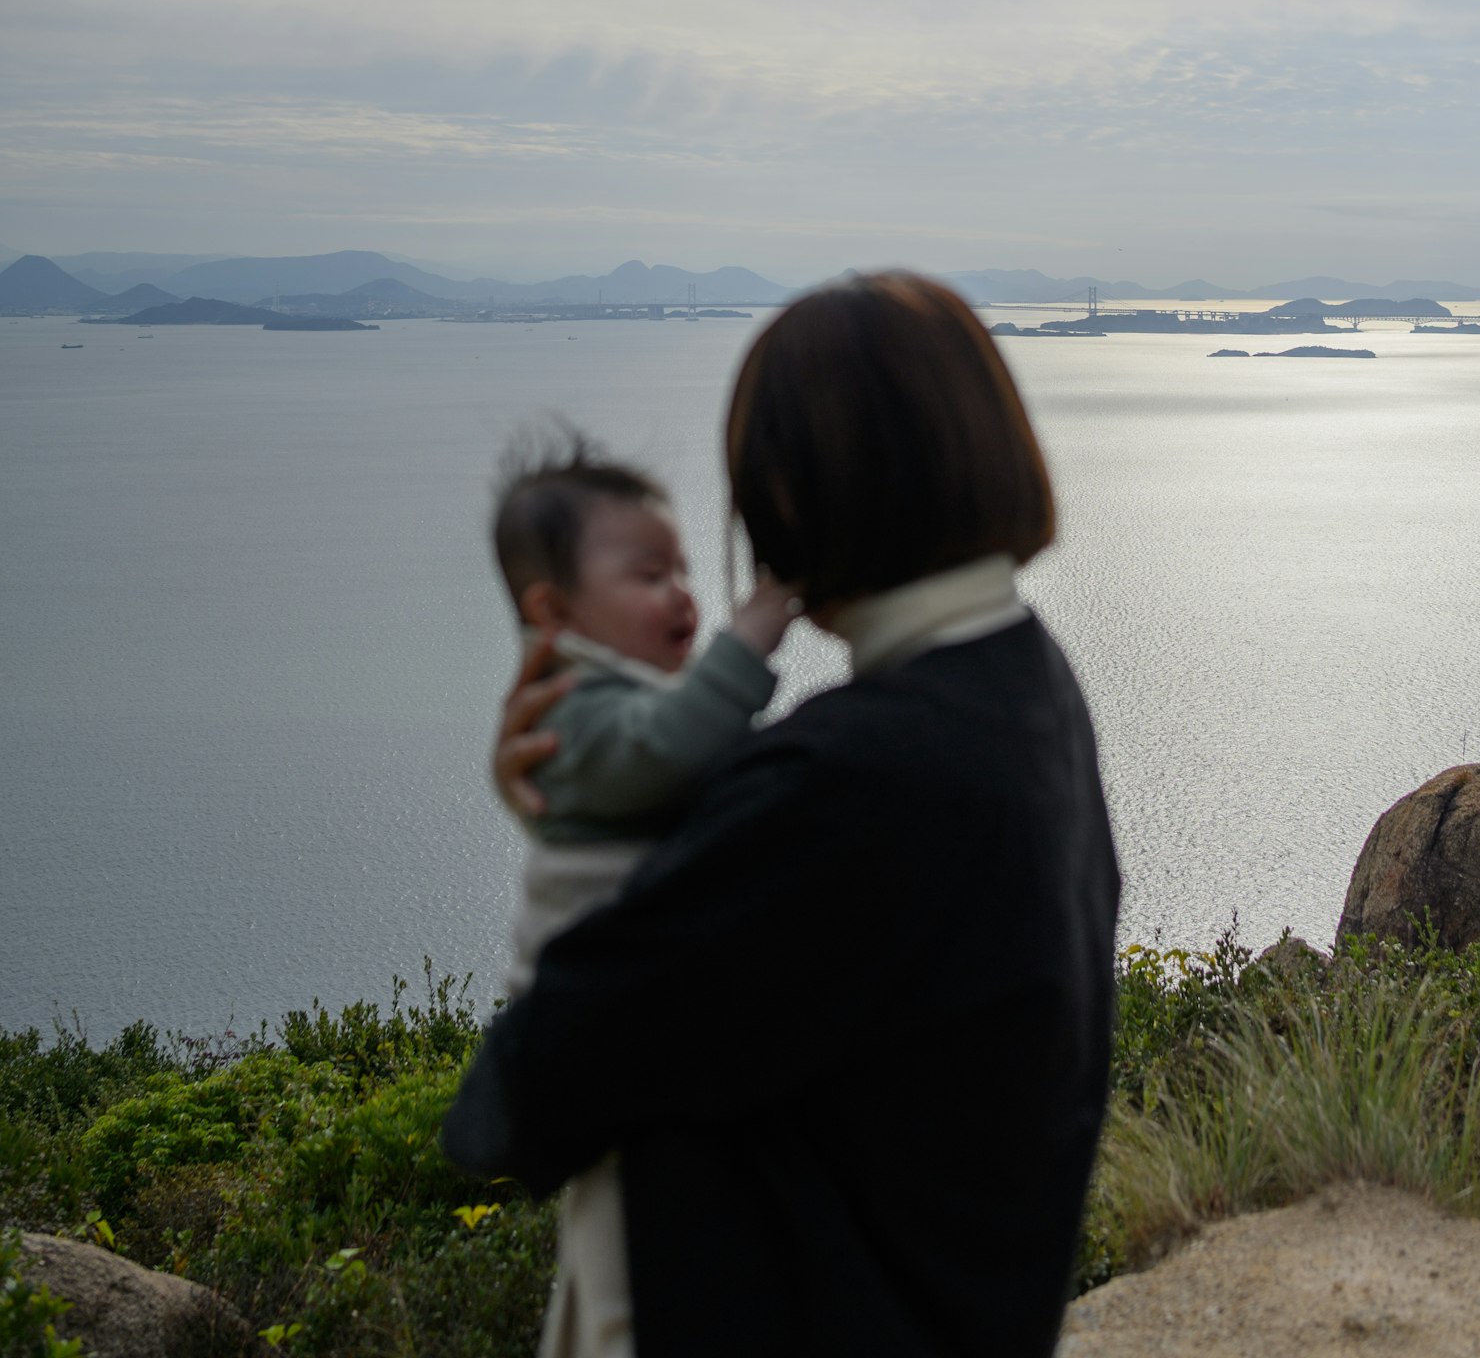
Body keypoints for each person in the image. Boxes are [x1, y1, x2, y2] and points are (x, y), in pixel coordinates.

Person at [445, 274, 1120, 1358]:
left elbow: (520, 1103)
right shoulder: (1031, 693)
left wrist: (572, 814)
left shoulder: (853, 776)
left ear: (795, 502)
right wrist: (596, 783)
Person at [488, 434, 797, 1357]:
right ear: (554, 609)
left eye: (685, 569)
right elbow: (674, 744)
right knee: (635, 1263)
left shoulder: (598, 703)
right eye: (649, 574)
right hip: (602, 1040)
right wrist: (757, 629)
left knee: (614, 1246)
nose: (684, 596)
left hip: (620, 1035)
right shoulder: (579, 713)